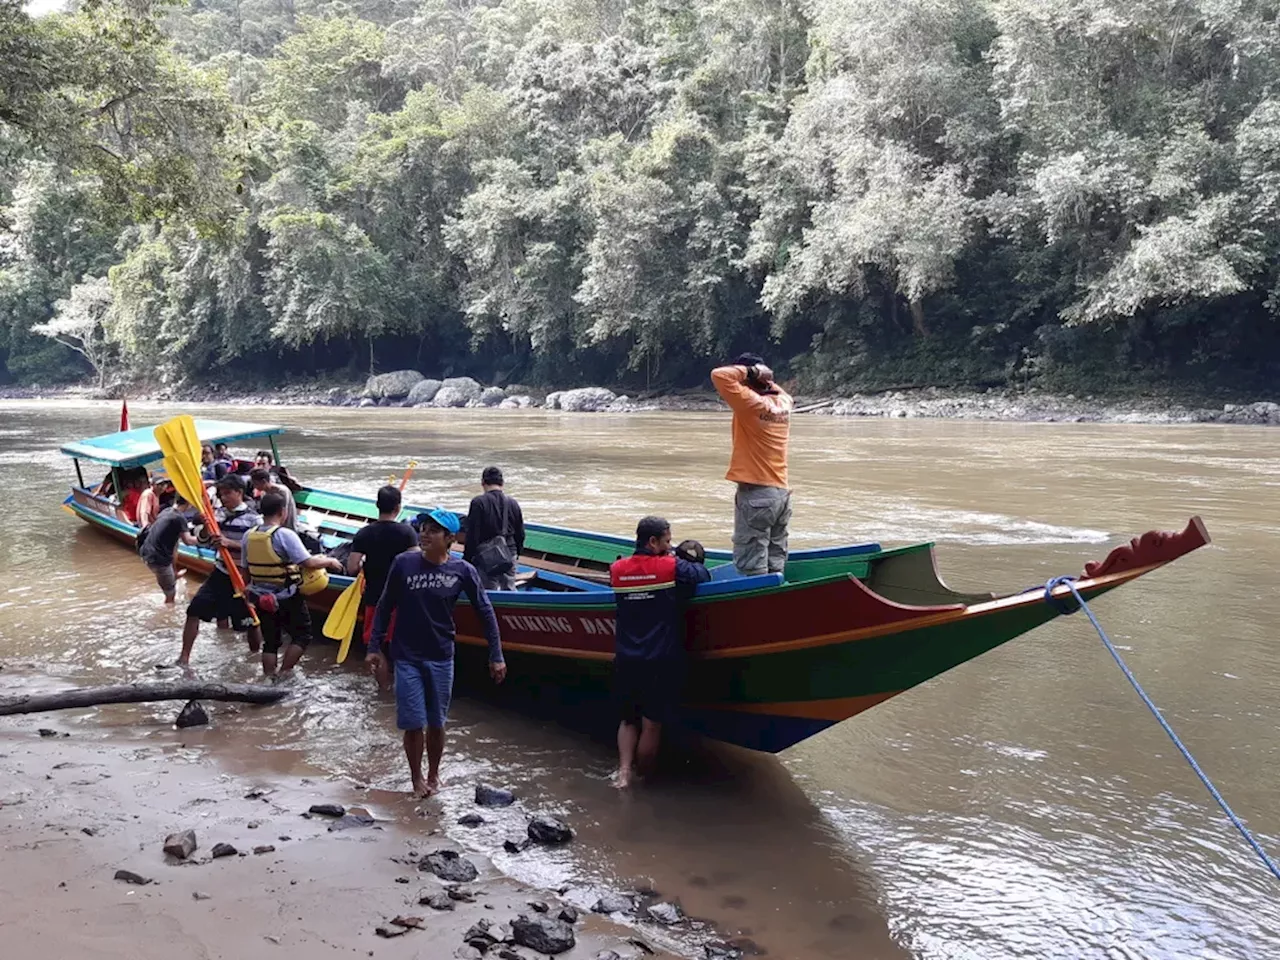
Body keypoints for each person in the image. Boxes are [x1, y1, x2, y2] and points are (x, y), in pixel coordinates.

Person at [366, 508, 505, 798]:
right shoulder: (404, 563)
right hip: (406, 656)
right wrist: (374, 647)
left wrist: (496, 654)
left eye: (433, 530)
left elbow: (485, 611)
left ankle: (434, 774)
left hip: (441, 655)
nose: (425, 534)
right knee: (413, 722)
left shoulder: (462, 570)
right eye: (423, 528)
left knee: (437, 722)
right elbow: (384, 605)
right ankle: (416, 779)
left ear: (450, 538)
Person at [609, 516, 710, 789]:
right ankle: (645, 779)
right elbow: (701, 574)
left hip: (626, 658)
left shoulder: (617, 569)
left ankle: (624, 774)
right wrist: (681, 555)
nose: (669, 546)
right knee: (651, 724)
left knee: (628, 720)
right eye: (666, 541)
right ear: (653, 542)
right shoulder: (670, 566)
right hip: (659, 660)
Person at [710, 353, 794, 575]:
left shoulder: (751, 403)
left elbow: (719, 375)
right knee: (776, 559)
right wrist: (763, 376)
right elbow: (774, 389)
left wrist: (751, 372)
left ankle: (756, 603)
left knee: (751, 564)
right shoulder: (784, 403)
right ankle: (776, 600)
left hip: (757, 494)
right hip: (781, 493)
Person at [244, 492, 344, 677]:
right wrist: (330, 562)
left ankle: (268, 679)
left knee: (271, 642)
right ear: (283, 512)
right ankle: (284, 673)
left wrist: (247, 594)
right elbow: (308, 563)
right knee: (303, 635)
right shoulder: (284, 535)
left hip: (260, 597)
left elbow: (245, 569)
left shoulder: (248, 536)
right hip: (286, 596)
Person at [178, 475, 262, 666]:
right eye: (221, 494)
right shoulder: (217, 515)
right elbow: (201, 540)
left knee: (250, 622)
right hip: (220, 572)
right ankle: (184, 658)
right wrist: (206, 528)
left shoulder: (254, 519)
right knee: (193, 611)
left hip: (242, 577)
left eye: (227, 493)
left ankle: (254, 660)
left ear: (239, 493)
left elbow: (258, 547)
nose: (223, 498)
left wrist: (229, 543)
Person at [346, 485, 418, 658]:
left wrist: (364, 565)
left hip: (374, 598)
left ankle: (381, 684)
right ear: (398, 507)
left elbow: (352, 568)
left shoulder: (364, 533)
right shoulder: (407, 533)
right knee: (400, 645)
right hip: (401, 599)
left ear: (377, 505)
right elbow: (416, 565)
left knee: (376, 647)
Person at [462, 466, 525, 591]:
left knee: (487, 590)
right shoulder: (513, 503)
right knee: (509, 588)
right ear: (502, 483)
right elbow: (520, 533)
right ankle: (512, 608)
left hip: (487, 555)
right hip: (509, 551)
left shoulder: (478, 502)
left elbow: (472, 534)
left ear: (483, 483)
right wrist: (517, 552)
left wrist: (467, 558)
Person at [139, 495, 198, 603]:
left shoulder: (166, 511)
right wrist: (204, 539)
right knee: (170, 594)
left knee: (175, 545)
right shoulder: (179, 518)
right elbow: (188, 541)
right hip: (158, 559)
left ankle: (173, 575)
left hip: (146, 553)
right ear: (189, 504)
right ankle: (168, 615)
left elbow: (175, 547)